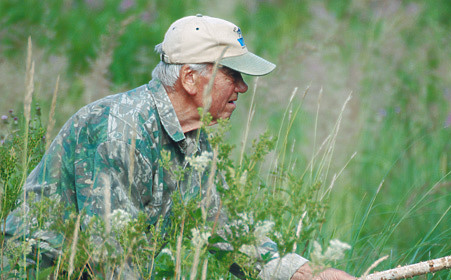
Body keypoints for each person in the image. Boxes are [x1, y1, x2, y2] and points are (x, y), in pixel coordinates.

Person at [3, 15, 354, 280]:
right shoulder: (120, 131)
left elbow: (218, 225)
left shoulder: (193, 138)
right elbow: (109, 257)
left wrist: (304, 273)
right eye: (232, 74)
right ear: (189, 78)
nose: (243, 88)